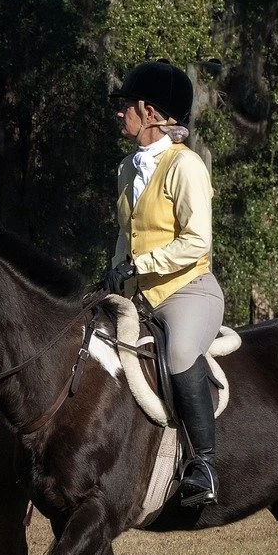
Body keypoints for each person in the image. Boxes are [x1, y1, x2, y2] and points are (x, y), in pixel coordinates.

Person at [103, 60, 221, 507]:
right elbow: (125, 232)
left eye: (126, 106)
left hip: (189, 292)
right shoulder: (127, 170)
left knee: (177, 352)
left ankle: (204, 464)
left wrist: (140, 264)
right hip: (138, 297)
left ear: (150, 113)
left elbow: (197, 242)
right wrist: (115, 273)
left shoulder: (186, 166)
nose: (120, 113)